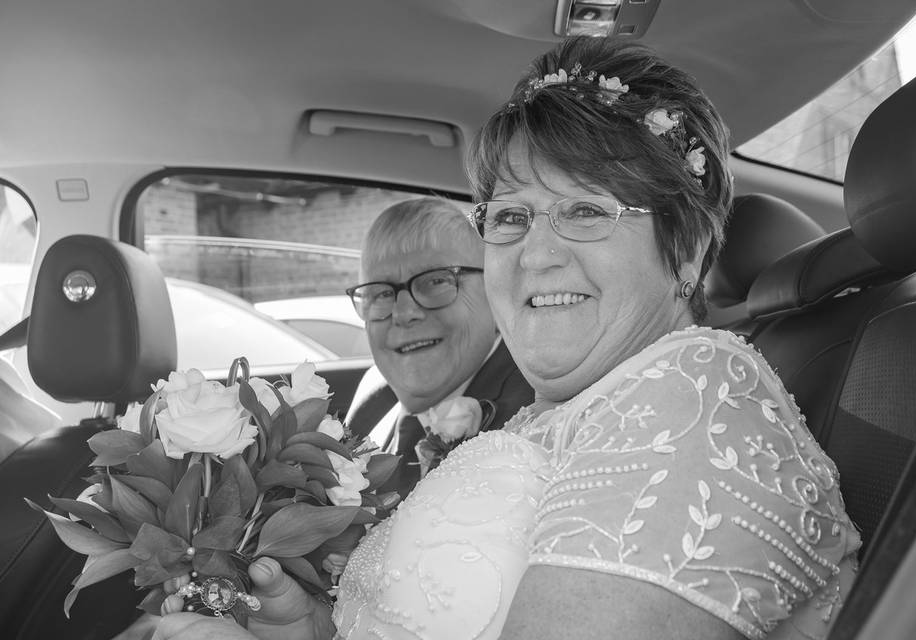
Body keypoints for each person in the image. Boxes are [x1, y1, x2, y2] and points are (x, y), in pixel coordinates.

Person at [153, 36, 860, 640]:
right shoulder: (579, 408)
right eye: (511, 217)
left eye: (584, 210)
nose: (535, 253)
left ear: (684, 250)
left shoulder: (694, 405)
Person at [343, 197, 534, 497]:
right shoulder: (371, 397)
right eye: (380, 293)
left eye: (435, 281)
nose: (403, 313)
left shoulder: (533, 411)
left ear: (493, 290)